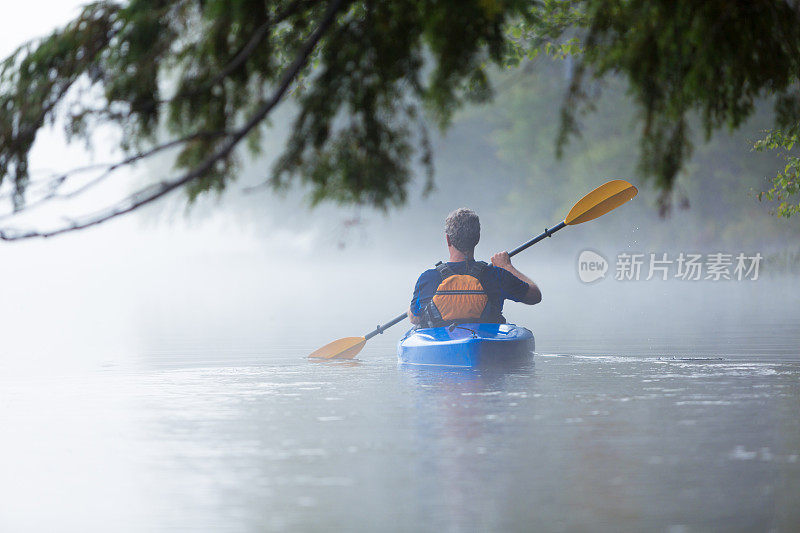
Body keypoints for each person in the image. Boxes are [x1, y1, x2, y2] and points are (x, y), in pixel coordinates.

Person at [408, 208, 542, 327]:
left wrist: (410, 310)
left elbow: (415, 317)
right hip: (487, 346)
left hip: (441, 348)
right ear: (477, 238)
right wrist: (507, 266)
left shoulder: (428, 278)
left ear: (448, 239)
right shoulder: (497, 275)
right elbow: (535, 296)